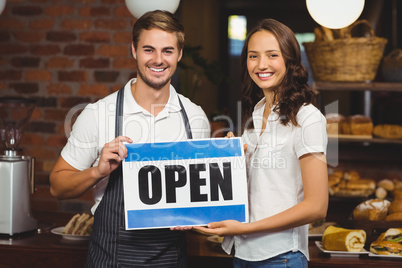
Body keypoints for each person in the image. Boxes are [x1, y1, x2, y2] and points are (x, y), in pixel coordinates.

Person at [49, 10, 210, 267]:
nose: (158, 59)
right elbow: (57, 186)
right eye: (149, 49)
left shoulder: (194, 118)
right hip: (111, 258)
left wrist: (193, 215)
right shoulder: (99, 114)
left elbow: (201, 199)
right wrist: (97, 172)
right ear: (134, 50)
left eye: (167, 51)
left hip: (172, 259)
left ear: (179, 54)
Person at [194, 18, 328, 267]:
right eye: (253, 56)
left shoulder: (308, 118)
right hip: (242, 254)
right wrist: (229, 159)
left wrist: (248, 227)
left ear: (290, 60)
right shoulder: (255, 116)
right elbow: (257, 191)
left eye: (272, 55)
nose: (261, 64)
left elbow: (317, 206)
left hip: (280, 257)